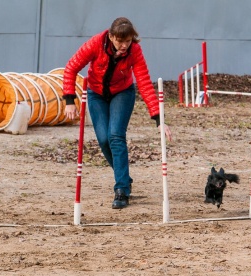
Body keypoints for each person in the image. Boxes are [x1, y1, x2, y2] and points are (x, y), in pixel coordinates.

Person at [62, 17, 172, 209]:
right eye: (120, 41)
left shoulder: (134, 51)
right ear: (111, 36)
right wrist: (69, 100)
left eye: (128, 41)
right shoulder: (95, 43)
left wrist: (158, 119)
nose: (124, 45)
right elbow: (71, 68)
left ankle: (121, 189)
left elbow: (144, 82)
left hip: (123, 92)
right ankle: (124, 177)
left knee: (115, 136)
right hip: (96, 94)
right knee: (104, 139)